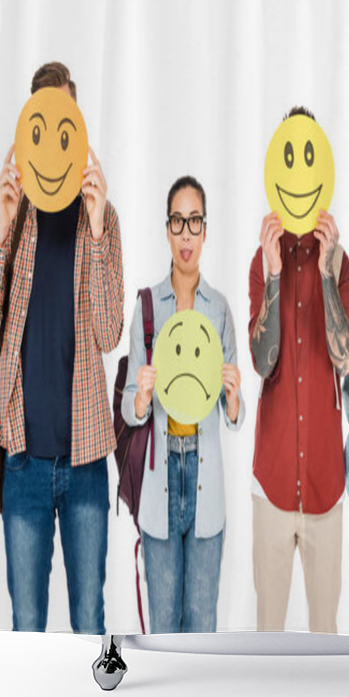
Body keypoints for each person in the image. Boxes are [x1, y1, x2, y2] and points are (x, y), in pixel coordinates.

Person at [0, 62, 124, 633]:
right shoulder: (11, 219)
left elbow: (109, 333)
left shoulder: (102, 222)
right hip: (23, 461)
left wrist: (100, 225)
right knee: (27, 622)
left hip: (85, 464)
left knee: (89, 621)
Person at [248, 107, 349, 634]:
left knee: (326, 637)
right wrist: (273, 276)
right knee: (268, 631)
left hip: (323, 485)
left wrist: (328, 267)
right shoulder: (260, 260)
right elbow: (262, 361)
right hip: (272, 482)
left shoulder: (339, 262)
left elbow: (345, 357)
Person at [121, 176, 245, 633]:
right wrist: (142, 396)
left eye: (195, 221)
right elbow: (129, 409)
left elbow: (235, 418)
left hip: (205, 475)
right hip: (159, 481)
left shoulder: (220, 309)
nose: (187, 233)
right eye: (178, 221)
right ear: (167, 229)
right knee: (164, 626)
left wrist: (232, 399)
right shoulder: (148, 307)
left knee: (202, 625)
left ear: (206, 230)